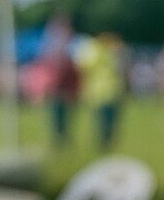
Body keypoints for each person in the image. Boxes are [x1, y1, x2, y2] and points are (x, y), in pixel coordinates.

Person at [78, 32, 125, 149]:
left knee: (109, 121)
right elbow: (84, 68)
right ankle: (104, 143)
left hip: (109, 91)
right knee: (104, 121)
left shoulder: (110, 51)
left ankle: (107, 142)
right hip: (101, 92)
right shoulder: (95, 51)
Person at [39, 13, 79, 146]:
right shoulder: (51, 44)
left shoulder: (70, 44)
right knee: (57, 115)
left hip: (65, 85)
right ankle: (59, 138)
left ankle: (63, 138)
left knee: (65, 115)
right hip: (56, 85)